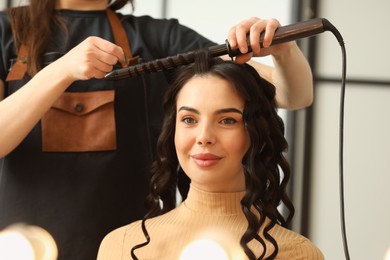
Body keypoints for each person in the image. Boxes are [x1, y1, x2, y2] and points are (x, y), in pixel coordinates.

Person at [0, 0, 313, 259]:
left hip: (132, 249)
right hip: (20, 246)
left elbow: (291, 95)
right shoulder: (7, 32)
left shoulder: (158, 38)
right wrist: (62, 70)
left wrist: (283, 52)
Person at [97, 51, 323, 259]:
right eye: (189, 120)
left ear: (259, 135)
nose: (204, 137)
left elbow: (297, 93)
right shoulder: (123, 245)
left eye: (227, 120)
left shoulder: (296, 253)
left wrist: (284, 50)